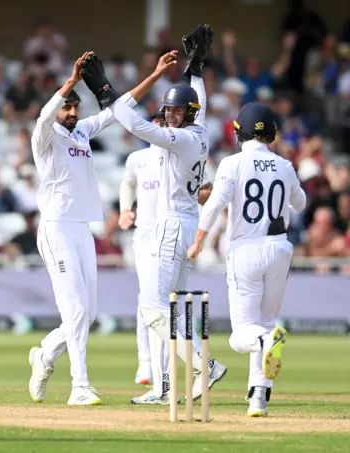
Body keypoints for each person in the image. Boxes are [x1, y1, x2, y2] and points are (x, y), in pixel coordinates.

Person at [80, 25, 227, 405]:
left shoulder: (182, 139)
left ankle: (204, 364)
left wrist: (104, 93)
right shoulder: (200, 128)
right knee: (171, 307)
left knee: (152, 306)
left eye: (179, 111)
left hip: (170, 226)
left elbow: (136, 125)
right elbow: (202, 102)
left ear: (188, 115)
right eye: (170, 110)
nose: (172, 116)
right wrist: (196, 68)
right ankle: (164, 388)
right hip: (181, 225)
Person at [27, 51, 144, 406]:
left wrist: (153, 75)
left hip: (82, 230)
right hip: (56, 228)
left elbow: (115, 111)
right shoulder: (44, 138)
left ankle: (45, 354)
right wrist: (71, 81)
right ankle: (80, 386)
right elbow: (46, 115)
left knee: (87, 315)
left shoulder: (81, 133)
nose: (73, 113)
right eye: (68, 107)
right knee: (76, 312)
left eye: (76, 108)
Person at [187, 102, 307, 417]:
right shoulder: (284, 165)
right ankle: (258, 398)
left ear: (239, 132)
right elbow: (300, 202)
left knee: (242, 336)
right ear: (272, 134)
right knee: (264, 324)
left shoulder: (232, 163)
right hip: (280, 248)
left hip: (246, 249)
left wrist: (198, 242)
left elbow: (213, 206)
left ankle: (268, 341)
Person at [119, 111, 213, 388]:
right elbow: (127, 182)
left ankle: (172, 374)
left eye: (166, 121)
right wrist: (126, 209)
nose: (163, 125)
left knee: (165, 302)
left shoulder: (181, 154)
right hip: (147, 235)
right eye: (158, 121)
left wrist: (203, 201)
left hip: (172, 232)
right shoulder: (138, 159)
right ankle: (147, 363)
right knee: (149, 301)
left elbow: (205, 189)